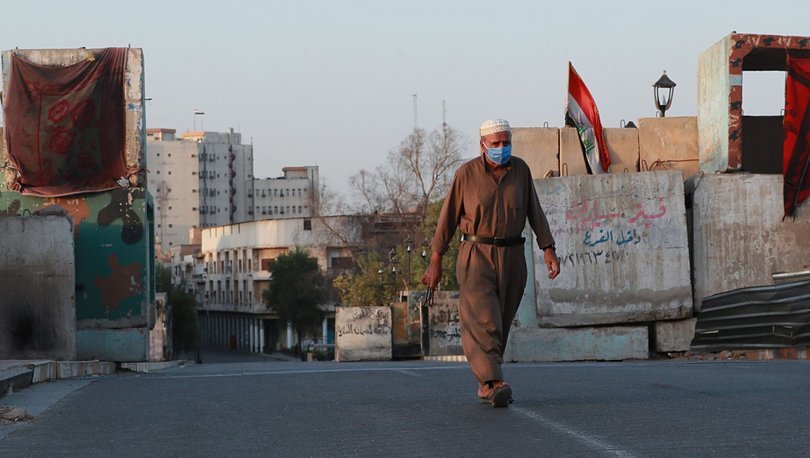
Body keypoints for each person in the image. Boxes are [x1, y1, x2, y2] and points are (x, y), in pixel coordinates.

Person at [421, 118, 560, 408]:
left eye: (505, 142)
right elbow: (446, 220)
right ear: (482, 145)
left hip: (513, 256)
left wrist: (548, 248)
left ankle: (485, 384)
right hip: (476, 254)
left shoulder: (520, 170)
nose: (501, 148)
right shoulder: (466, 174)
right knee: (484, 319)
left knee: (500, 322)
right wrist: (436, 260)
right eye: (495, 143)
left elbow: (534, 210)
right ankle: (494, 383)